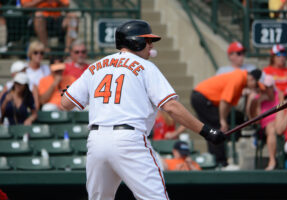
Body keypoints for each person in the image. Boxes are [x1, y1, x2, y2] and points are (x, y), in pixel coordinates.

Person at [61, 19, 225, 200]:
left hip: (96, 141)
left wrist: (67, 92)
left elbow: (66, 103)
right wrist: (206, 131)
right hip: (129, 140)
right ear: (135, 41)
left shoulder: (95, 67)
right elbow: (170, 106)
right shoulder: (146, 67)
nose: (150, 46)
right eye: (147, 41)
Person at [191, 68, 262, 167]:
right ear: (252, 79)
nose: (256, 88)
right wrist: (222, 120)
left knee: (213, 130)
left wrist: (223, 120)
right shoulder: (238, 79)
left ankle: (216, 160)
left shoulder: (241, 81)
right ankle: (219, 162)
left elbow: (228, 104)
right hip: (202, 98)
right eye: (257, 85)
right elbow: (224, 101)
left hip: (202, 98)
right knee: (215, 129)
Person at [247, 75, 280, 170]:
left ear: (272, 87)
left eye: (267, 87)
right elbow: (256, 120)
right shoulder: (258, 98)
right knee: (271, 127)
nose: (265, 90)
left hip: (282, 123)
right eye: (263, 87)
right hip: (265, 128)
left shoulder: (279, 95)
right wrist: (257, 102)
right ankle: (272, 160)